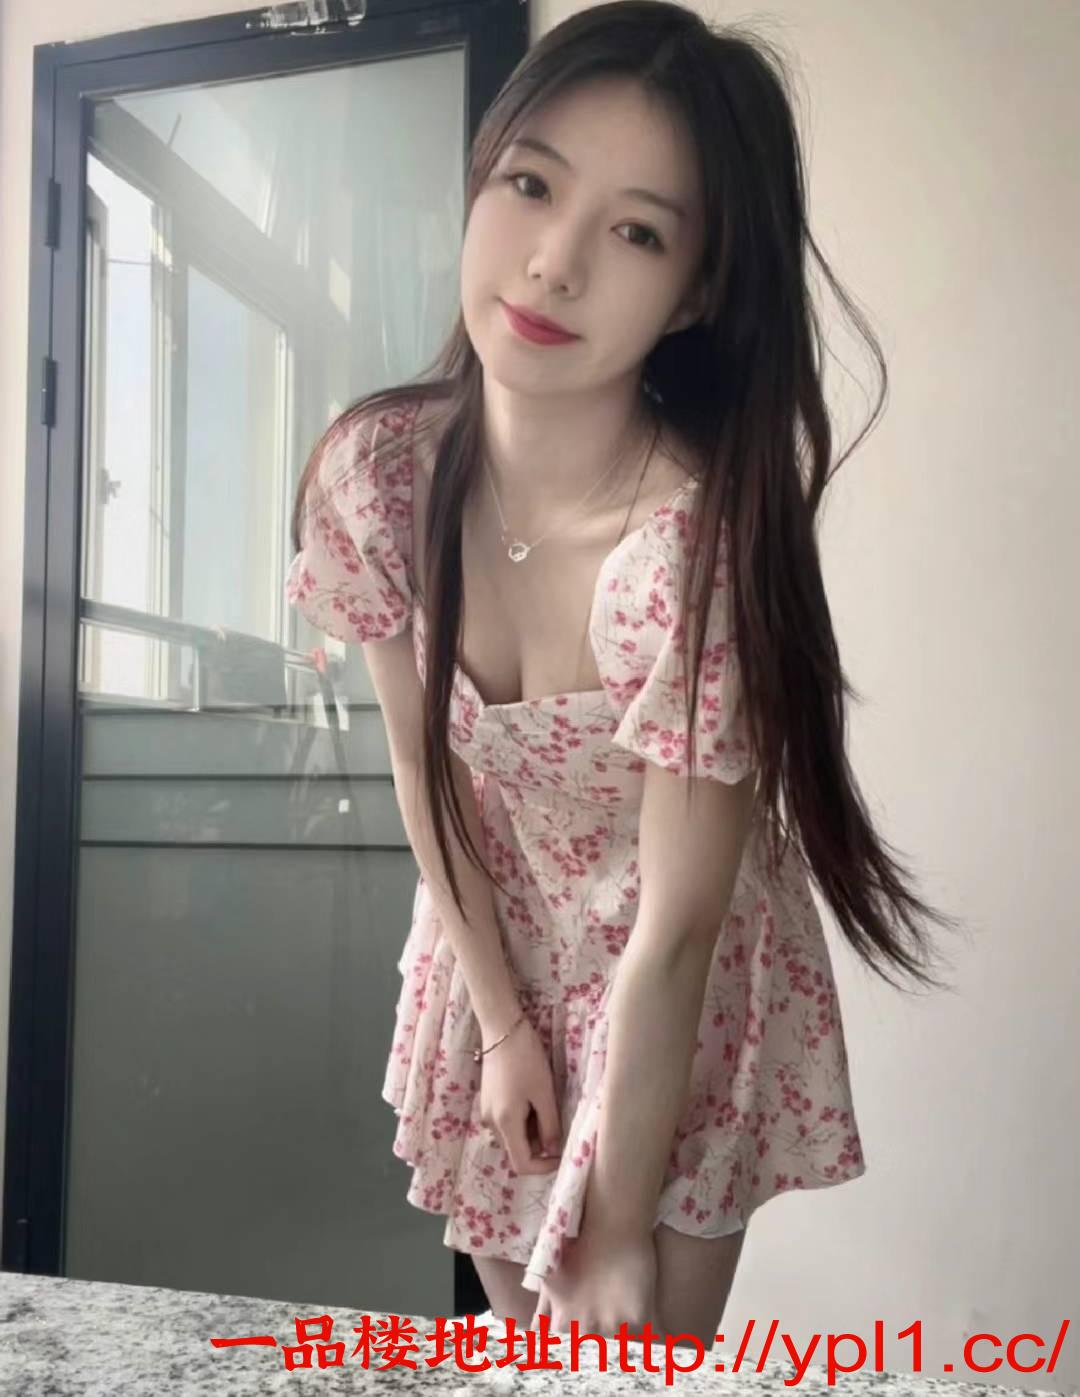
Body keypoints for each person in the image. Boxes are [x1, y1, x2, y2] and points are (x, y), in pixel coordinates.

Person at [286, 0, 962, 1351]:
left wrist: (610, 1217)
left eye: (638, 232)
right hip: (493, 942)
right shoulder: (377, 475)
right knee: (525, 1354)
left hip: (680, 986)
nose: (553, 264)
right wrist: (500, 1021)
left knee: (631, 1362)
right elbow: (423, 768)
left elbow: (680, 929)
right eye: (531, 184)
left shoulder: (690, 557)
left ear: (698, 290)